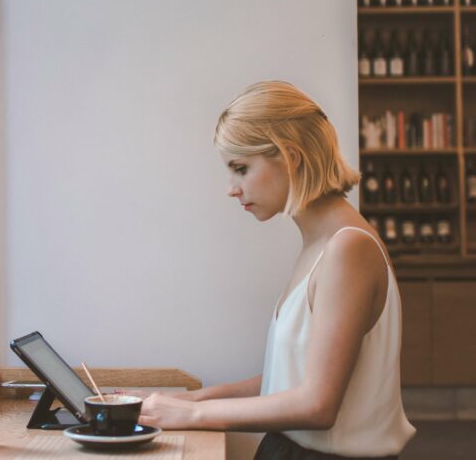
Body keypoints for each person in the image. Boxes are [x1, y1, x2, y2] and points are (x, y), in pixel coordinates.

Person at [135, 81, 416, 459]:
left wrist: (194, 412)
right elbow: (288, 379)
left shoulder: (349, 248)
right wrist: (174, 400)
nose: (231, 188)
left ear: (290, 157)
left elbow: (318, 405)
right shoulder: (322, 244)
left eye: (241, 168)